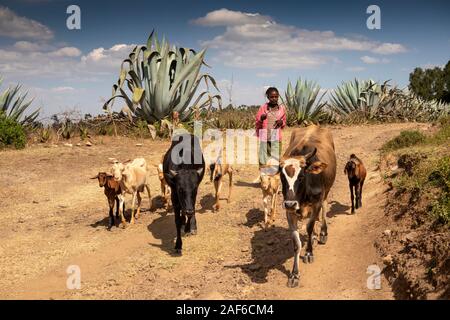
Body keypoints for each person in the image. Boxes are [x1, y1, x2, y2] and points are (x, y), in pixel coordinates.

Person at [255, 87, 287, 167]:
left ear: (278, 96)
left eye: (276, 96)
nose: (274, 99)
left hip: (276, 138)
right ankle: (263, 176)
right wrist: (261, 119)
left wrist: (281, 122)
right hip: (265, 137)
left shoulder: (281, 109)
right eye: (271, 97)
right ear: (268, 97)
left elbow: (284, 123)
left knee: (275, 159)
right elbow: (257, 123)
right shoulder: (263, 109)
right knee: (263, 159)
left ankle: (272, 177)